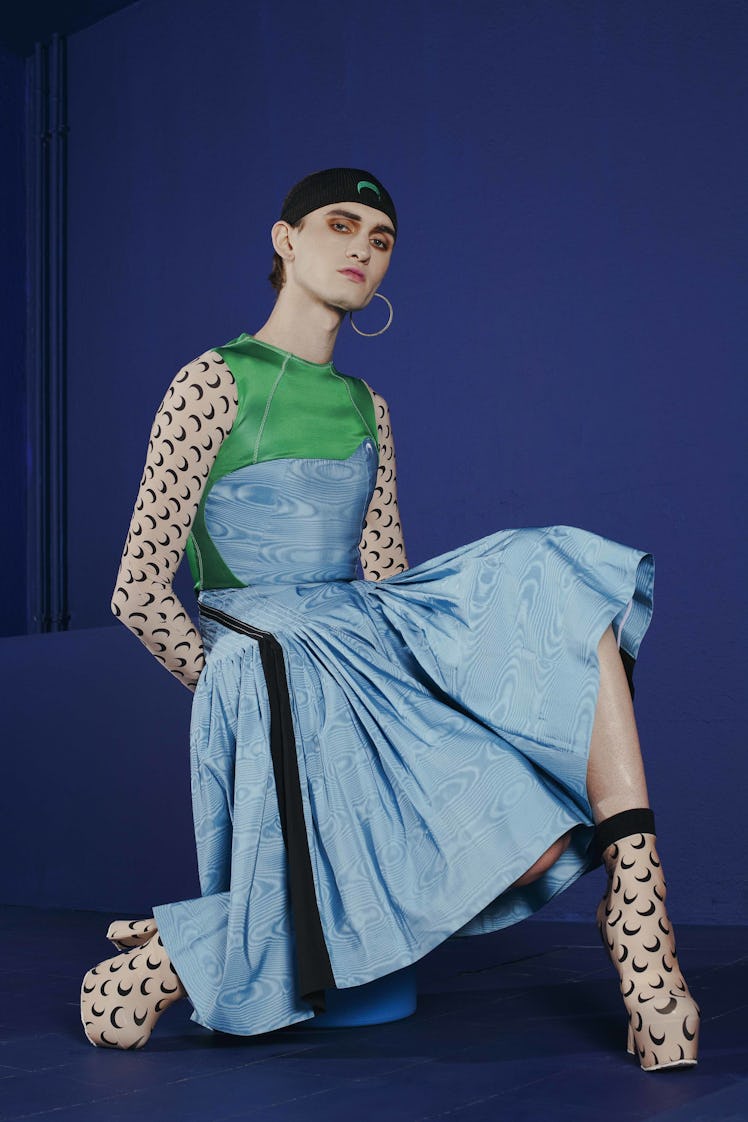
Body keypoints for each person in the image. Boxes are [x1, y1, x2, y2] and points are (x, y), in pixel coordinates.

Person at [80, 167, 699, 1070]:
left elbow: (386, 576)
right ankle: (191, 952)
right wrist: (227, 686)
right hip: (264, 654)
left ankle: (638, 902)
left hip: (364, 638)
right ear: (286, 240)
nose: (362, 249)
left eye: (381, 238)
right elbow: (138, 590)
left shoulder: (369, 406)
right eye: (341, 225)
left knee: (546, 572)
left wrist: (441, 680)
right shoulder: (211, 383)